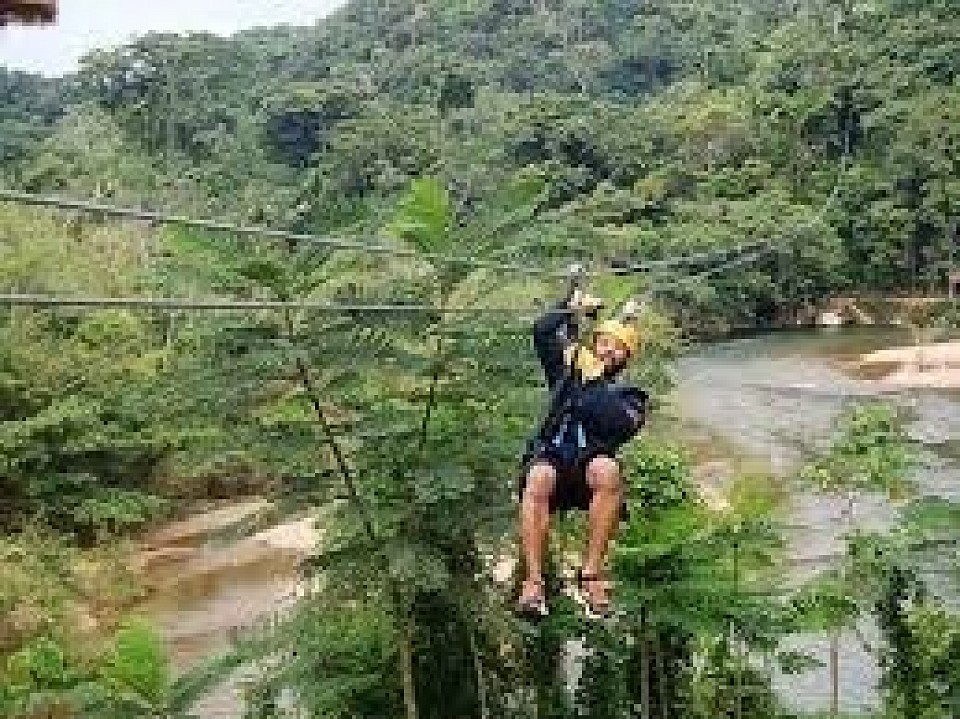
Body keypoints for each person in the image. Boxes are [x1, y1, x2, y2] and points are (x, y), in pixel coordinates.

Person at [518, 289, 648, 619]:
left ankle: (591, 573)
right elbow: (542, 330)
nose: (609, 351)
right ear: (594, 344)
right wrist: (570, 307)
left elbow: (618, 425)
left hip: (589, 468)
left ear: (625, 359)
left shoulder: (629, 396)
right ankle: (533, 581)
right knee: (538, 477)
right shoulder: (565, 375)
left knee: (608, 471)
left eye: (618, 349)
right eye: (605, 343)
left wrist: (593, 382)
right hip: (554, 458)